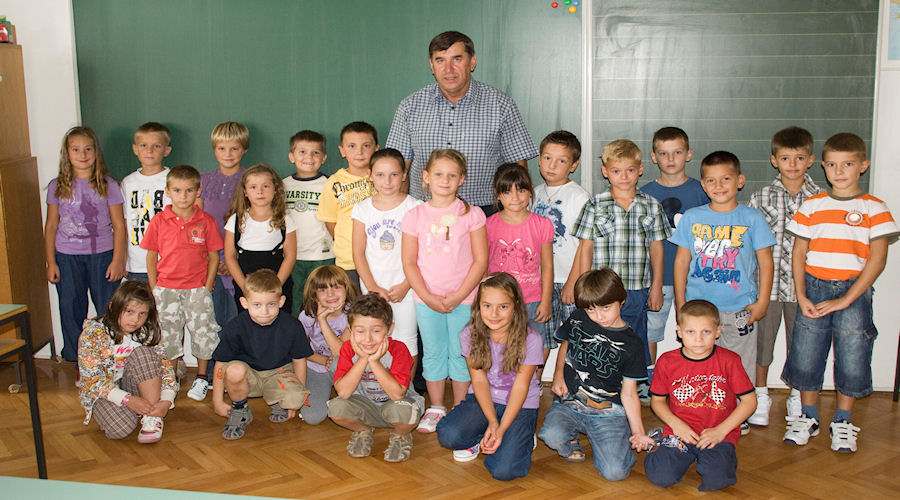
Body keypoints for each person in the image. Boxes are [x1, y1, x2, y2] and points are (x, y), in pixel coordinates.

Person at [781, 132, 898, 453]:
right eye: (832, 164)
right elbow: (799, 253)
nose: (839, 171)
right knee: (806, 353)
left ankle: (843, 421)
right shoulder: (813, 205)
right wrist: (801, 295)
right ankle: (808, 416)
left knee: (852, 354)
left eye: (847, 164)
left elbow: (878, 259)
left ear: (863, 165)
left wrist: (847, 298)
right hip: (814, 288)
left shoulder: (874, 208)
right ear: (823, 166)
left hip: (854, 292)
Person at [671, 151, 775, 434]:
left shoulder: (752, 218)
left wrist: (762, 302)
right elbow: (681, 261)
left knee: (738, 365)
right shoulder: (692, 218)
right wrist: (681, 302)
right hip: (699, 310)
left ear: (740, 181)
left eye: (725, 179)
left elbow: (766, 263)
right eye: (711, 180)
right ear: (703, 185)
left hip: (740, 308)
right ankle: (706, 410)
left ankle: (738, 414)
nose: (718, 186)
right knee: (702, 362)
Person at [386, 31, 537, 216]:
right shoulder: (410, 107)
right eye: (440, 60)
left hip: (486, 213)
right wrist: (399, 216)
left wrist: (516, 218)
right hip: (424, 212)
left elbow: (518, 169)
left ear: (472, 61)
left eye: (457, 59)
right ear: (432, 65)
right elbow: (397, 168)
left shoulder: (501, 105)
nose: (448, 69)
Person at [573, 139, 671, 398]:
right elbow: (585, 248)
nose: (624, 176)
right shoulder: (595, 205)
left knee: (633, 339)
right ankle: (601, 386)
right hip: (602, 292)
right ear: (605, 172)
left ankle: (634, 387)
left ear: (640, 169)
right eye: (617, 171)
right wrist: (583, 289)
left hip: (637, 289)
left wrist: (657, 287)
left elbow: (657, 249)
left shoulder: (651, 205)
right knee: (600, 339)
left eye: (630, 170)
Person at [401, 149, 488, 432]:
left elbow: (481, 260)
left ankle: (460, 408)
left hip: (464, 299)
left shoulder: (472, 214)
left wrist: (459, 295)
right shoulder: (414, 215)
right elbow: (409, 262)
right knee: (434, 352)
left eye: (452, 175)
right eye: (439, 174)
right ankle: (436, 407)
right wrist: (428, 297)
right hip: (426, 300)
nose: (445, 180)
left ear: (462, 179)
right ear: (426, 177)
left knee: (462, 353)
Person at [538, 268, 654, 481]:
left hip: (608, 413)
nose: (599, 316)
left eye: (606, 308)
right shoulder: (579, 317)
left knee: (614, 473)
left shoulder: (633, 344)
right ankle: (573, 440)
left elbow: (630, 394)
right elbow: (566, 343)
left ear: (622, 301)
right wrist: (558, 376)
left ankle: (617, 441)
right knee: (550, 435)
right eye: (591, 310)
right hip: (570, 404)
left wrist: (638, 432)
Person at [746, 126, 822, 427]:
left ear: (811, 160)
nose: (793, 164)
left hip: (806, 289)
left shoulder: (821, 198)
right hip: (767, 287)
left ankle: (797, 395)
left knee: (802, 346)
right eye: (786, 158)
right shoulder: (761, 197)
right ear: (774, 160)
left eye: (800, 158)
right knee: (762, 343)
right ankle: (760, 393)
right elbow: (747, 241)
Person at [435, 273, 543, 481]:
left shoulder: (531, 339)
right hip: (484, 400)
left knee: (504, 470)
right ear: (478, 306)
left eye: (503, 306)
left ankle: (522, 437)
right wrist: (493, 421)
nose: (494, 314)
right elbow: (479, 380)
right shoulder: (469, 334)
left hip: (519, 404)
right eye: (487, 306)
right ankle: (483, 434)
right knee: (448, 434)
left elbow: (521, 387)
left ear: (515, 306)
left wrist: (501, 429)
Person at [644, 300, 756, 491]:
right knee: (661, 476)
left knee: (717, 480)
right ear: (679, 332)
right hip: (680, 432)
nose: (698, 339)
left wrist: (720, 431)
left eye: (706, 332)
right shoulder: (667, 361)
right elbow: (658, 401)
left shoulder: (730, 360)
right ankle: (659, 442)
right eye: (691, 332)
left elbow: (750, 401)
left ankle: (711, 458)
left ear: (718, 331)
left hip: (718, 434)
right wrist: (676, 425)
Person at [140, 165, 223, 401]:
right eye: (177, 190)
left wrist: (207, 285)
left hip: (197, 289)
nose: (183, 196)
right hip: (166, 289)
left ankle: (201, 376)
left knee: (203, 332)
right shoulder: (159, 221)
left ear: (198, 191)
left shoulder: (206, 221)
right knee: (168, 335)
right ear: (167, 191)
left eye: (189, 190)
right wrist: (155, 286)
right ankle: (171, 378)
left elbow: (214, 256)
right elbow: (151, 255)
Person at [45, 126, 126, 364]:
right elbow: (51, 226)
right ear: (67, 153)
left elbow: (119, 225)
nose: (83, 155)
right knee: (70, 307)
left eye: (88, 149)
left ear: (96, 152)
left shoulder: (108, 185)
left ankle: (109, 356)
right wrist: (51, 262)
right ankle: (76, 357)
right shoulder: (57, 186)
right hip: (66, 256)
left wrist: (118, 260)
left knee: (107, 307)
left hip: (103, 255)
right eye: (76, 149)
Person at [211, 269, 313, 440]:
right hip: (249, 376)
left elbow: (299, 361)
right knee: (234, 370)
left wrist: (299, 393)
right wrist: (217, 401)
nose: (264, 311)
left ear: (281, 301)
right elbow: (220, 364)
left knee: (296, 398)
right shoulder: (236, 326)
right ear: (244, 303)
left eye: (271, 304)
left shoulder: (292, 325)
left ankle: (277, 400)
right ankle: (240, 409)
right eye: (257, 305)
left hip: (279, 374)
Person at [640, 127, 708, 368]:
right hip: (655, 279)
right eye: (663, 153)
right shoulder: (645, 194)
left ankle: (697, 375)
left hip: (694, 278)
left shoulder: (702, 191)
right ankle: (648, 379)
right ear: (653, 156)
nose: (670, 159)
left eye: (677, 152)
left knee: (696, 329)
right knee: (649, 331)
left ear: (688, 154)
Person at [327, 293, 424, 463]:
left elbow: (397, 395)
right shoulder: (348, 349)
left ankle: (401, 435)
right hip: (367, 407)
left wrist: (374, 362)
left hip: (396, 407)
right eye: (360, 331)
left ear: (389, 329)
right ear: (350, 330)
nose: (368, 339)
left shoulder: (399, 349)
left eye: (376, 331)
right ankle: (362, 430)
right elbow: (343, 392)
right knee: (336, 408)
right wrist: (363, 359)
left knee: (406, 411)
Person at [78, 280, 176, 443]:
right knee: (120, 428)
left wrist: (166, 400)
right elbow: (92, 380)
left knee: (145, 354)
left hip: (135, 384)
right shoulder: (93, 334)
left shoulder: (146, 332)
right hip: (104, 393)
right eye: (129, 311)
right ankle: (138, 409)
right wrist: (127, 400)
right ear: (113, 307)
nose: (135, 320)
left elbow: (165, 367)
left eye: (142, 314)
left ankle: (152, 417)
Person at [351, 148, 422, 357]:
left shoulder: (415, 207)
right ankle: (378, 379)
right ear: (370, 175)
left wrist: (407, 284)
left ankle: (405, 381)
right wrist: (372, 287)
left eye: (394, 174)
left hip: (406, 288)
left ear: (404, 175)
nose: (387, 181)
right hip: (373, 287)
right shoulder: (362, 209)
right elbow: (358, 253)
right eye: (380, 175)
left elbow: (423, 254)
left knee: (406, 341)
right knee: (374, 339)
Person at [531, 131, 590, 357]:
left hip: (568, 279)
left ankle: (569, 379)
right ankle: (534, 379)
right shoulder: (534, 194)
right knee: (540, 337)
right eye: (547, 158)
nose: (552, 165)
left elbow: (585, 244)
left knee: (575, 338)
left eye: (561, 160)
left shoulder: (578, 196)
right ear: (539, 159)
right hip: (541, 280)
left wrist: (573, 281)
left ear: (573, 165)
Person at [486, 163, 553, 357]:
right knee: (500, 350)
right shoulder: (489, 225)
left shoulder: (542, 224)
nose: (515, 197)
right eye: (507, 192)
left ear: (530, 191)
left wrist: (546, 301)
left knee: (533, 349)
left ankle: (532, 378)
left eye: (521, 190)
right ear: (497, 194)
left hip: (532, 300)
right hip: (499, 301)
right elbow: (483, 265)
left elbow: (547, 266)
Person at [224, 164, 297, 312]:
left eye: (266, 186)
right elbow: (230, 257)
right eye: (253, 187)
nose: (260, 191)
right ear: (245, 191)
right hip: (246, 282)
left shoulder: (285, 220)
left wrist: (276, 286)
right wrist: (245, 288)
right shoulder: (236, 220)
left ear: (275, 189)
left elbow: (290, 256)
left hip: (277, 281)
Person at [199, 121, 249, 331]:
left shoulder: (250, 180)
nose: (228, 154)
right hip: (209, 261)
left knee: (240, 321)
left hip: (240, 260)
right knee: (214, 323)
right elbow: (197, 223)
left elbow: (253, 223)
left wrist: (232, 261)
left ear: (244, 149)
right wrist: (209, 260)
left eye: (234, 148)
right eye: (221, 148)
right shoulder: (203, 181)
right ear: (214, 149)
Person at [317, 121, 379, 289]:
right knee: (354, 303)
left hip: (379, 258)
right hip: (348, 260)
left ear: (376, 148)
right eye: (352, 146)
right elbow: (330, 222)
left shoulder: (382, 178)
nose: (359, 152)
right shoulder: (334, 182)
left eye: (366, 145)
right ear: (342, 151)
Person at [284, 130, 335, 315]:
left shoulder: (330, 184)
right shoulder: (282, 185)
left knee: (324, 301)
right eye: (302, 152)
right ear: (292, 156)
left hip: (323, 255)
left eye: (315, 152)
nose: (309, 157)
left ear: (323, 158)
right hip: (292, 256)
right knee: (296, 302)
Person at [298, 265, 358, 424]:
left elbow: (341, 354)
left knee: (337, 362)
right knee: (313, 417)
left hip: (347, 368)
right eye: (323, 290)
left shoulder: (353, 314)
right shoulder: (307, 317)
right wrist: (323, 361)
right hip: (317, 368)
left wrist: (323, 321)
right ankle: (327, 397)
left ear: (346, 290)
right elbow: (299, 350)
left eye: (336, 287)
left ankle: (343, 399)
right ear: (314, 295)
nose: (331, 294)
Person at [121, 122, 172, 282]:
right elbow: (124, 223)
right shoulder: (128, 183)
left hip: (167, 263)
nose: (149, 151)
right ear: (135, 149)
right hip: (136, 264)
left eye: (156, 146)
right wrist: (123, 259)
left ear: (166, 150)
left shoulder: (173, 180)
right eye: (143, 145)